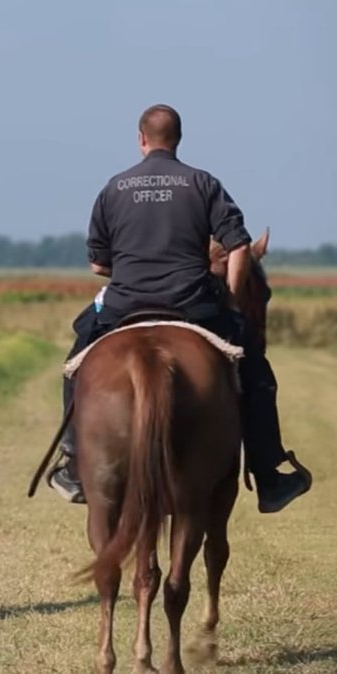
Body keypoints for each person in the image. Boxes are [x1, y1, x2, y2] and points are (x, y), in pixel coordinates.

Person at [47, 104, 310, 514]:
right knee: (255, 370)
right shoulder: (203, 183)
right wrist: (234, 300)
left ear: (141, 139)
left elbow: (98, 263)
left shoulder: (114, 188)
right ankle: (268, 474)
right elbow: (239, 246)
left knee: (77, 361)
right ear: (178, 139)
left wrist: (135, 267)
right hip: (193, 305)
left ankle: (75, 462)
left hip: (123, 304)